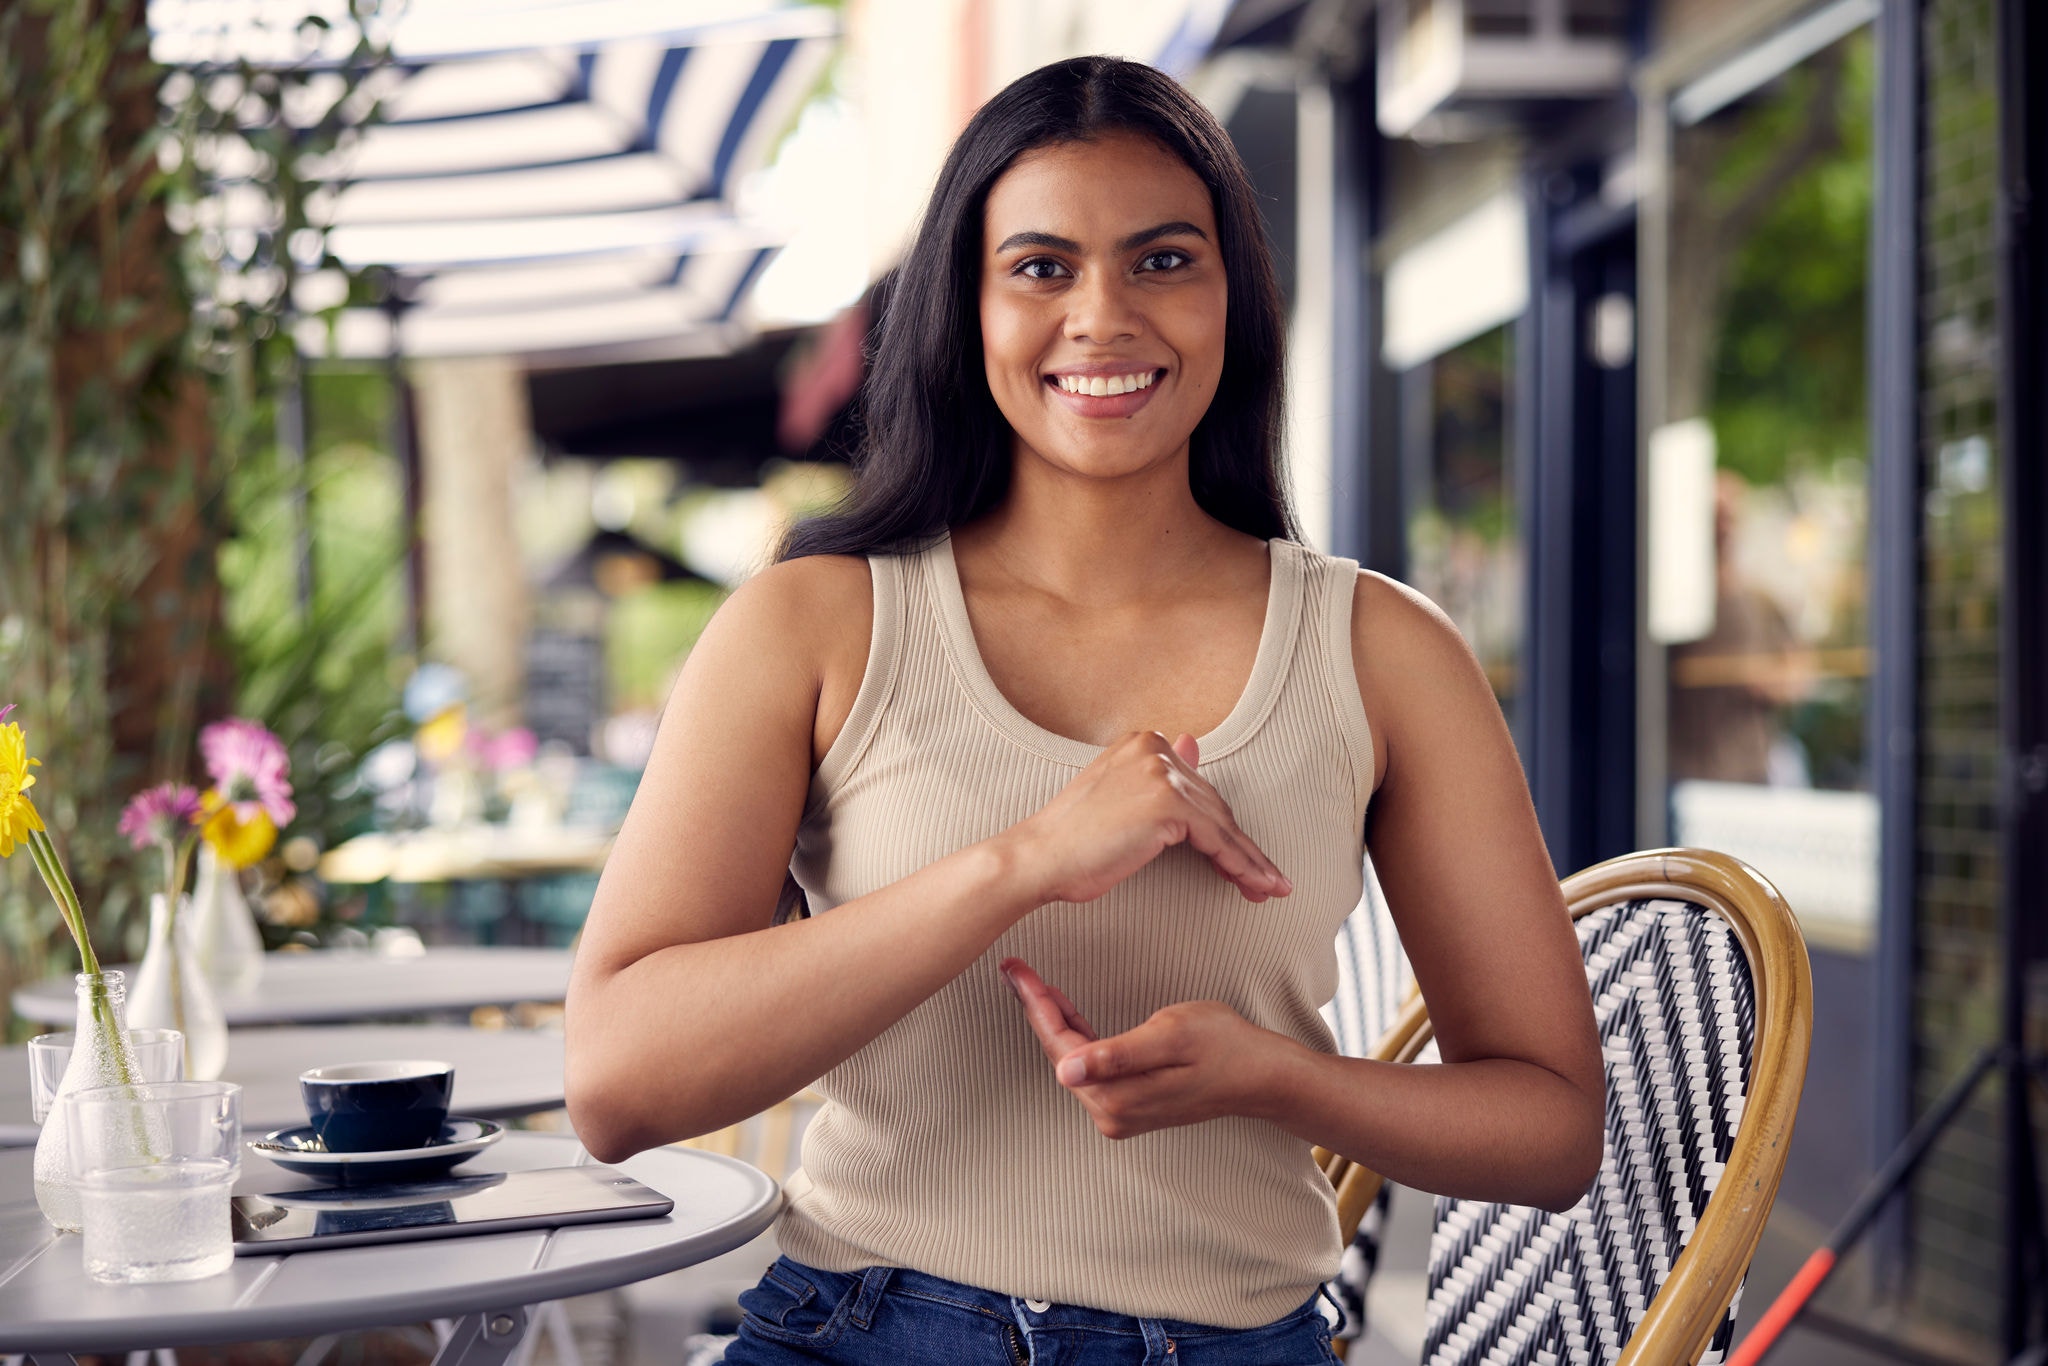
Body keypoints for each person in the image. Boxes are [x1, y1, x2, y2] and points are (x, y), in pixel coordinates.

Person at [565, 56, 1602, 1364]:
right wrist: (1025, 861)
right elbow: (614, 1086)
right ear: (968, 303)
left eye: (1163, 260)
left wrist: (1276, 1077)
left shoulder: (1383, 652)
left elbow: (1554, 1129)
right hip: (860, 1327)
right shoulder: (813, 623)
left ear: (1234, 297)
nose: (1102, 316)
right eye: (1041, 267)